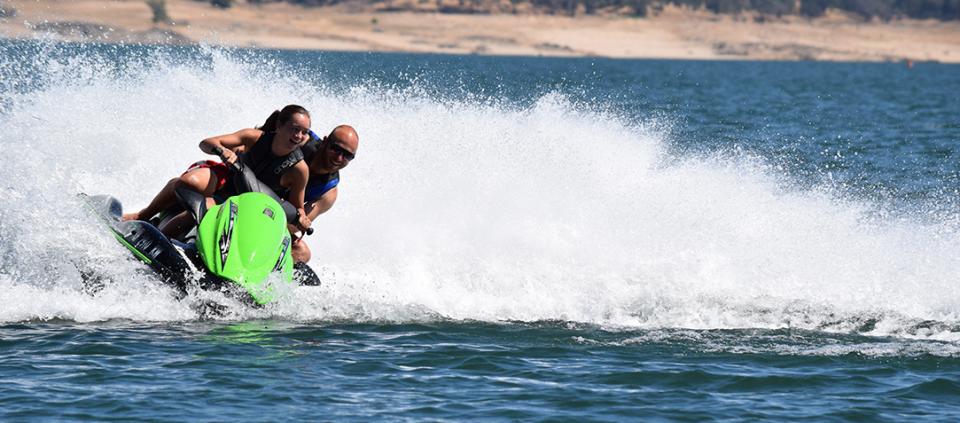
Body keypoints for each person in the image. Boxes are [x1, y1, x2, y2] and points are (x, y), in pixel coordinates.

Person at [123, 104, 313, 235]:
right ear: (279, 126)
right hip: (224, 187)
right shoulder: (253, 137)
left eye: (304, 132)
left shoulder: (300, 169)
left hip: (251, 209)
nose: (298, 136)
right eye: (294, 129)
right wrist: (222, 151)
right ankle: (146, 221)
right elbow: (206, 143)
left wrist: (303, 218)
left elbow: (297, 206)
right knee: (197, 198)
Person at [291, 125, 359, 263]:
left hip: (274, 212)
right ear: (325, 141)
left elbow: (293, 226)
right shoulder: (301, 139)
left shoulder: (328, 193)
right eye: (336, 149)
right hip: (252, 185)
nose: (339, 158)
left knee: (302, 253)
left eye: (347, 155)